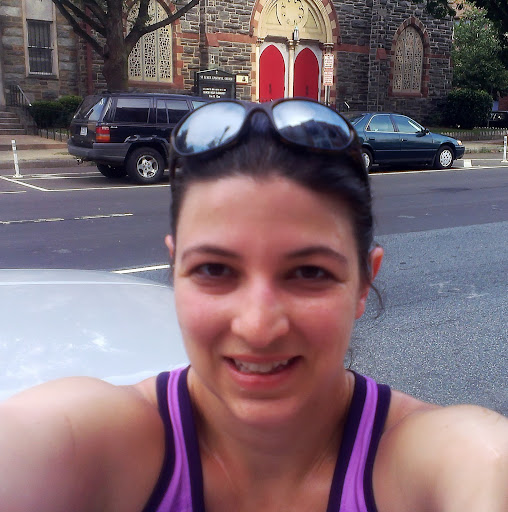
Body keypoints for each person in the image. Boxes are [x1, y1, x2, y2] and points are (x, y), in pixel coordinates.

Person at [0, 99, 506, 512]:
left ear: (363, 283)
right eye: (214, 270)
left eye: (309, 273)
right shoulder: (87, 440)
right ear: (175, 270)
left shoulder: (441, 457)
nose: (258, 327)